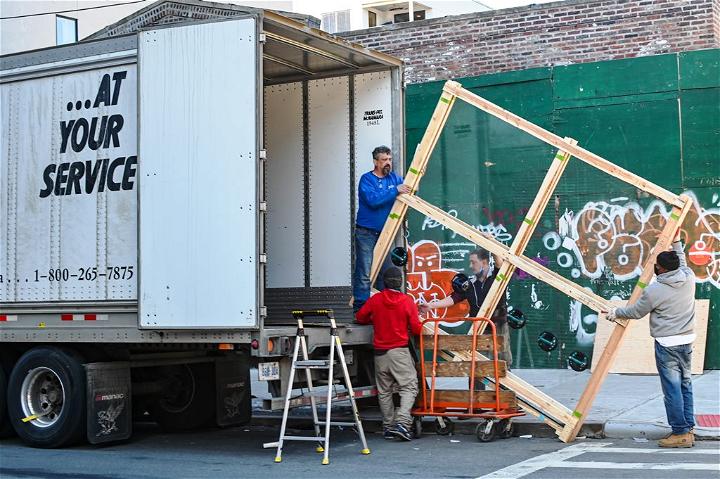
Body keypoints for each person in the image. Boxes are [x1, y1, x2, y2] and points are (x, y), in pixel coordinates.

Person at [606, 236, 696, 448]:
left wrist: (614, 313)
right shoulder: (688, 277)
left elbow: (635, 312)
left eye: (657, 266)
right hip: (687, 340)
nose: (655, 268)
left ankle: (680, 432)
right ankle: (688, 427)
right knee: (685, 384)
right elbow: (682, 262)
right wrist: (677, 245)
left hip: (667, 344)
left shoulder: (655, 291)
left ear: (662, 269)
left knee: (672, 389)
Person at [355, 267, 422, 441]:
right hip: (398, 352)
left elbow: (361, 317)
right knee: (409, 386)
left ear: (384, 282)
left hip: (379, 354)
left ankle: (388, 426)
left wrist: (374, 318)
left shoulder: (376, 300)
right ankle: (402, 422)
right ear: (400, 282)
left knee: (384, 391)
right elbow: (416, 328)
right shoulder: (407, 301)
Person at [419, 246, 512, 367]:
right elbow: (453, 298)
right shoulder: (470, 283)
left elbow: (500, 264)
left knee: (503, 361)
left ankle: (504, 386)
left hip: (499, 326)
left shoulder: (497, 277)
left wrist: (491, 243)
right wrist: (431, 305)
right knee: (477, 364)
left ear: (484, 262)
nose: (470, 266)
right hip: (479, 328)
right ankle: (476, 386)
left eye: (473, 262)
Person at [352, 146, 411, 313]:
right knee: (364, 272)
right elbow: (373, 200)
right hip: (366, 233)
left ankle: (384, 311)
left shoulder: (394, 178)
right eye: (384, 160)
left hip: (386, 233)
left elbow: (409, 189)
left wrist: (415, 180)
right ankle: (360, 311)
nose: (388, 163)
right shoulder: (366, 179)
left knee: (386, 273)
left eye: (390, 160)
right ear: (375, 162)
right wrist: (395, 190)